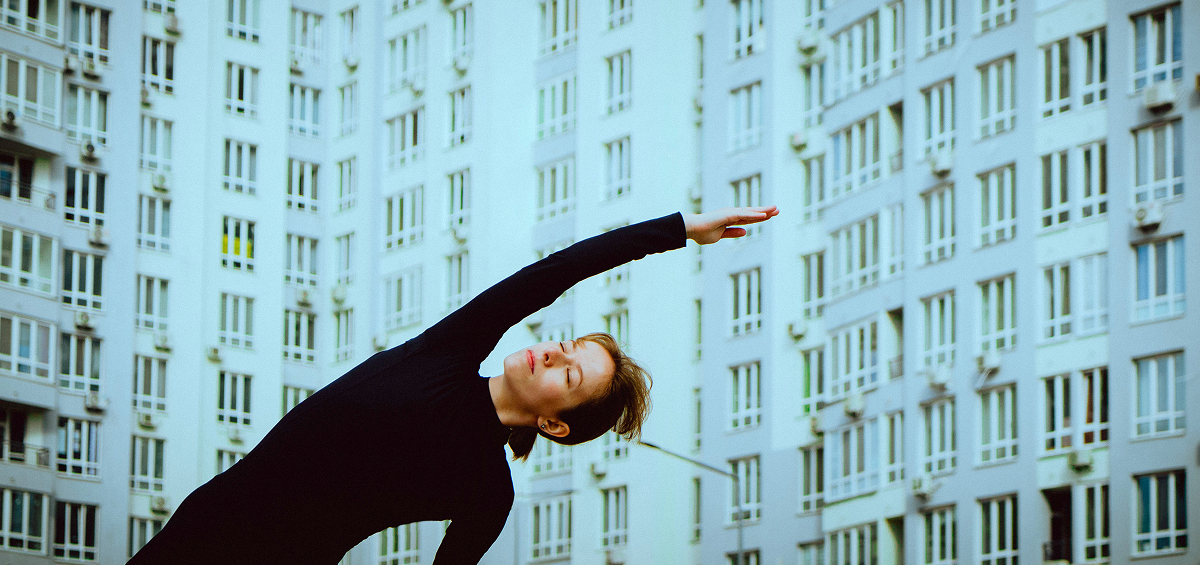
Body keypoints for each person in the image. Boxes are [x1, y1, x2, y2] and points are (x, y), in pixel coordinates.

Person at [127, 206, 778, 565]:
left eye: (569, 372)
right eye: (567, 344)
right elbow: (561, 269)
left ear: (554, 424)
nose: (553, 351)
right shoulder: (449, 350)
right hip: (200, 533)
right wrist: (679, 231)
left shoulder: (488, 491)